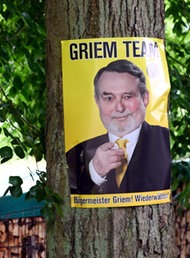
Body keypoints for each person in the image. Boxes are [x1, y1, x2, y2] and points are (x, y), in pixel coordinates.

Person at [66, 59, 170, 194]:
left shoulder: (164, 139)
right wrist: (95, 170)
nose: (119, 108)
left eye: (127, 97)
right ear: (97, 101)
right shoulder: (79, 148)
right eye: (109, 98)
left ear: (145, 98)